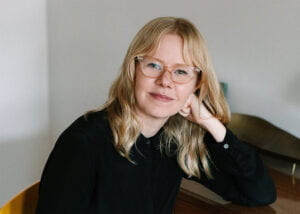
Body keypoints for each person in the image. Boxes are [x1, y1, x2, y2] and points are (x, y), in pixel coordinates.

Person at [36, 17, 276, 214]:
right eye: (153, 66)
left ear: (196, 84)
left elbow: (258, 192)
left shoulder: (173, 139)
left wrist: (210, 124)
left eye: (181, 71)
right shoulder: (84, 142)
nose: (165, 81)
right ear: (134, 71)